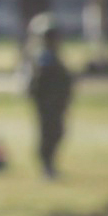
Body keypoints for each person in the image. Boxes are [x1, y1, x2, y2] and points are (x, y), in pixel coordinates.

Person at [23, 12, 74, 179]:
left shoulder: (52, 55)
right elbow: (41, 81)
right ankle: (47, 167)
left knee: (57, 132)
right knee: (49, 133)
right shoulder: (43, 56)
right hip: (47, 104)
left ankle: (49, 165)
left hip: (57, 103)